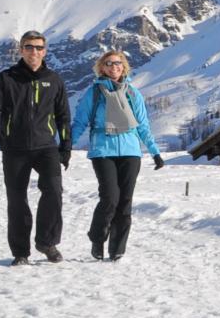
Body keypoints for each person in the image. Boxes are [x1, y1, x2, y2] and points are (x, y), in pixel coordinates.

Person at [0, 30, 72, 265]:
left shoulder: (54, 80)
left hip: (46, 147)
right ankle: (20, 253)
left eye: (39, 47)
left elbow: (63, 115)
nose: (34, 51)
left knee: (54, 191)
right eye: (29, 47)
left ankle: (46, 242)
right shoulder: (7, 78)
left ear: (45, 51)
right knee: (17, 199)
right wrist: (2, 138)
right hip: (16, 149)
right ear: (21, 50)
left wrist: (66, 147)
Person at [69, 48, 165, 261]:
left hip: (130, 151)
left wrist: (154, 152)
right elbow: (80, 122)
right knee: (110, 197)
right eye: (110, 63)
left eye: (118, 63)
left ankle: (117, 248)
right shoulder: (93, 93)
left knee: (125, 201)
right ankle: (97, 236)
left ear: (124, 67)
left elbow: (142, 125)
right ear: (102, 67)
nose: (114, 67)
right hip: (103, 150)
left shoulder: (132, 92)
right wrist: (66, 146)